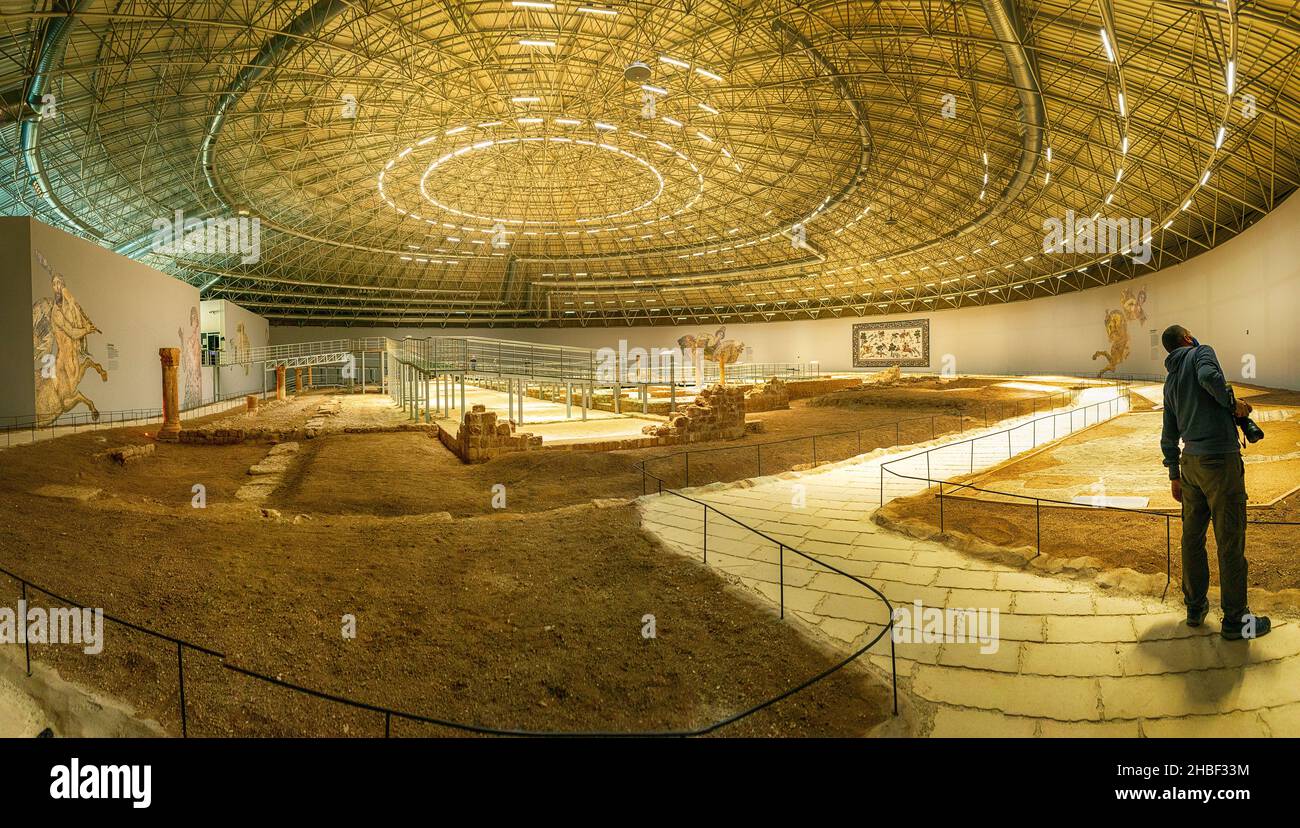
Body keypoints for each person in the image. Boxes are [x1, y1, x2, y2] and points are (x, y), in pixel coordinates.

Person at [1159, 324, 1269, 640]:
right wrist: (1235, 405)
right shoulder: (1200, 351)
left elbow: (1168, 434)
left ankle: (1195, 608)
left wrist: (1174, 474)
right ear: (1187, 339)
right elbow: (1209, 378)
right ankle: (1236, 622)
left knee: (1192, 539)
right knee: (1230, 541)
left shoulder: (1170, 382)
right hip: (1220, 462)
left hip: (1189, 465)